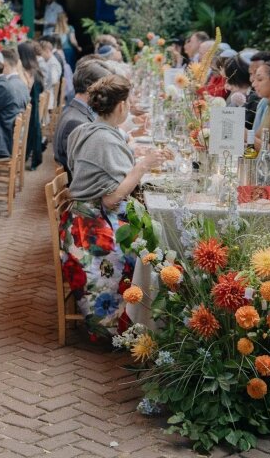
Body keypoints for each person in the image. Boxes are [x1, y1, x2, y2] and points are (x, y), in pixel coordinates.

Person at [62, 76, 166, 340]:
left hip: (81, 218)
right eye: (128, 102)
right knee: (152, 246)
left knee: (153, 234)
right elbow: (112, 199)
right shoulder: (104, 140)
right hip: (91, 229)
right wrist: (142, 166)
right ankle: (125, 324)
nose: (129, 107)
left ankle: (143, 315)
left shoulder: (88, 130)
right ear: (120, 106)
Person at [54, 57, 111, 179]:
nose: (107, 92)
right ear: (89, 86)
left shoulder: (78, 112)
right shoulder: (75, 122)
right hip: (80, 192)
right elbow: (85, 170)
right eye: (104, 86)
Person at [18, 41, 45, 170]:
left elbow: (25, 91)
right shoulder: (35, 68)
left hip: (30, 105)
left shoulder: (26, 71)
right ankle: (30, 156)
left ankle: (26, 155)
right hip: (33, 104)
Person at [248, 50, 270, 132]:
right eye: (250, 74)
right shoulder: (263, 102)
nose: (252, 79)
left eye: (258, 76)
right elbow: (256, 136)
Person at [222, 56, 260, 129]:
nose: (226, 85)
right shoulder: (245, 94)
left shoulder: (255, 97)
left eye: (228, 79)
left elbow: (245, 126)